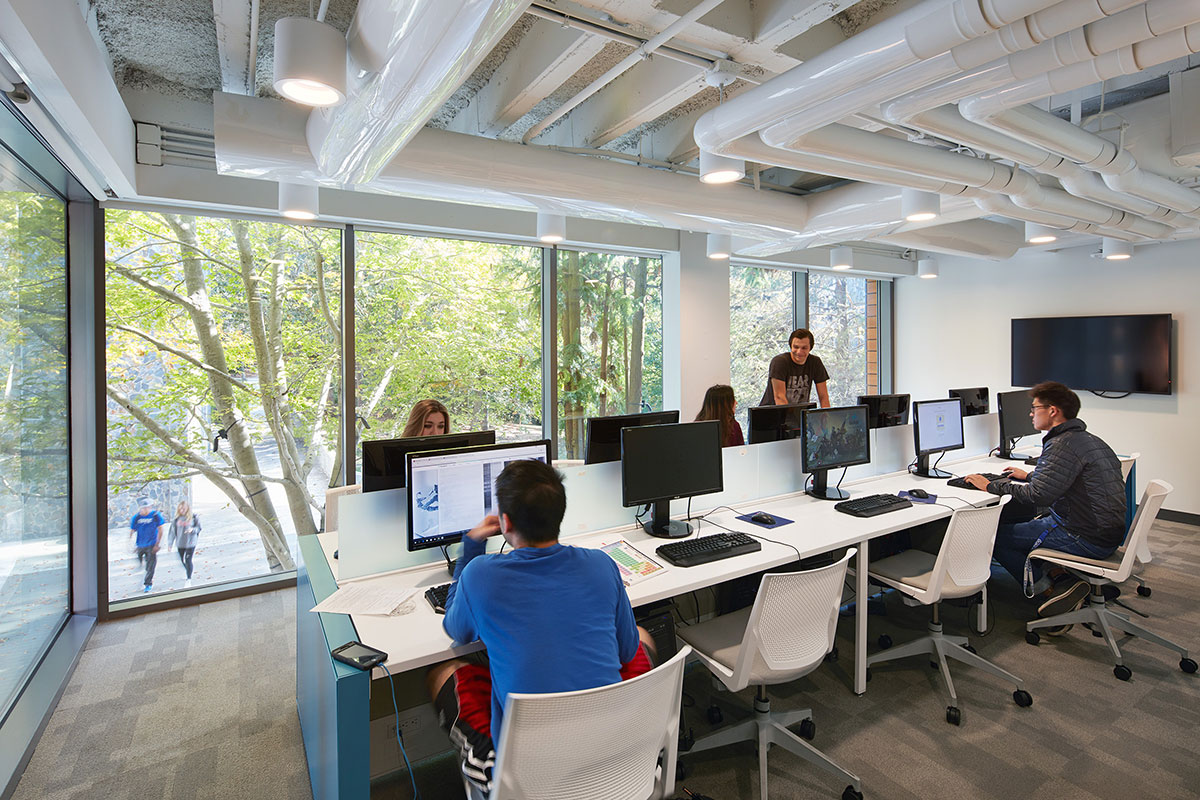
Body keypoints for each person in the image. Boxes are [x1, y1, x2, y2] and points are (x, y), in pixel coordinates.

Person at [426, 460, 654, 792]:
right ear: (559, 514)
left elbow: (457, 629)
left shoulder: (480, 575)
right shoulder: (603, 565)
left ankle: (488, 769)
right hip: (609, 753)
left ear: (505, 522)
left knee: (441, 671)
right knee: (643, 636)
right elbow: (625, 650)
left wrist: (472, 548)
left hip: (527, 775)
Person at [964, 381, 1127, 626]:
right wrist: (1029, 475)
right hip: (1106, 533)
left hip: (1083, 536)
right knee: (1028, 524)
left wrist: (990, 485)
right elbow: (1069, 479)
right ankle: (1062, 578)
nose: (1030, 413)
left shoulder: (1061, 445)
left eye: (1034, 408)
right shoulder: (1087, 439)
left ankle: (1049, 593)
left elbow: (1038, 496)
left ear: (1052, 411)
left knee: (993, 537)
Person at [759, 327, 831, 408]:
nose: (799, 352)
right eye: (796, 347)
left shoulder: (815, 362)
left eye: (804, 348)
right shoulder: (779, 362)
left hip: (798, 414)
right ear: (790, 346)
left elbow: (823, 396)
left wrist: (826, 416)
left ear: (810, 348)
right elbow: (779, 397)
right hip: (772, 413)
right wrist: (791, 419)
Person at [129, 497, 167, 593]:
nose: (144, 509)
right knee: (142, 562)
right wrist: (131, 544)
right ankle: (142, 570)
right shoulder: (137, 517)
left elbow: (161, 529)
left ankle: (148, 584)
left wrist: (158, 544)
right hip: (140, 545)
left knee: (151, 565)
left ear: (150, 507)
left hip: (151, 544)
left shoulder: (155, 515)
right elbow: (132, 531)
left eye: (147, 507)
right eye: (143, 507)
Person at [168, 500, 201, 587]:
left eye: (184, 508)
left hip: (190, 543)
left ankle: (188, 578)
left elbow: (199, 528)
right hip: (180, 543)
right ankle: (188, 570)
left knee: (188, 560)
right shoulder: (176, 520)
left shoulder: (193, 517)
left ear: (187, 509)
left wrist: (192, 530)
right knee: (182, 560)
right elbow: (172, 532)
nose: (182, 510)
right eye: (180, 508)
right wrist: (170, 544)